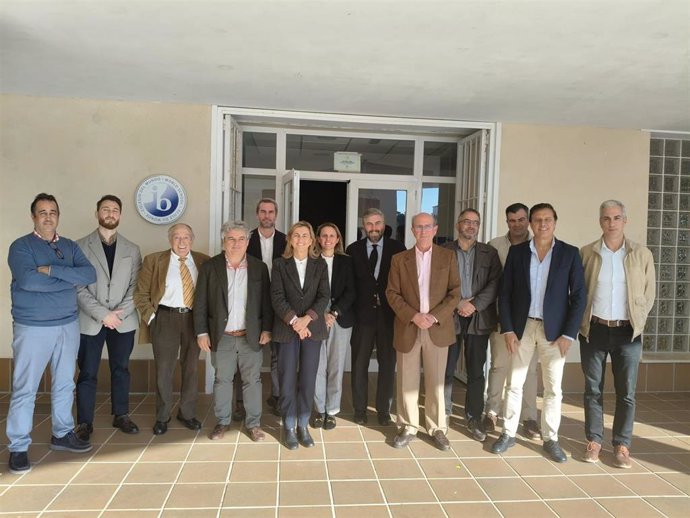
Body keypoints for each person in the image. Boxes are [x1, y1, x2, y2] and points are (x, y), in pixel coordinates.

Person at [6, 193, 97, 474]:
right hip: (33, 326)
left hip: (68, 325)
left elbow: (89, 274)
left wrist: (52, 271)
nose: (48, 217)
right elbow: (29, 281)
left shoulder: (69, 246)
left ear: (58, 216)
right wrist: (67, 279)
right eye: (42, 212)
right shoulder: (21, 247)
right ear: (33, 216)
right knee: (25, 389)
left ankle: (62, 433)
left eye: (53, 212)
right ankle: (18, 447)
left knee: (64, 383)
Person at [491, 203, 586, 463]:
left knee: (554, 388)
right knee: (515, 383)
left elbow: (578, 297)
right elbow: (505, 294)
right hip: (522, 328)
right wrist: (508, 329)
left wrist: (569, 334)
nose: (542, 224)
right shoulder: (518, 253)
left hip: (554, 332)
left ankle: (550, 438)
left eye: (547, 220)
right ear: (530, 224)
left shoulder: (569, 254)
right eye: (537, 220)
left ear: (555, 222)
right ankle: (508, 433)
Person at [579, 200, 655, 468]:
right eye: (606, 218)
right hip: (595, 330)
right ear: (600, 221)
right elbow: (578, 292)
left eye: (616, 217)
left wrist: (639, 323)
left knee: (626, 393)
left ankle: (622, 445)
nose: (611, 222)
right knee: (592, 390)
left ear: (625, 220)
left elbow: (648, 293)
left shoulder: (641, 254)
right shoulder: (587, 253)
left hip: (627, 333)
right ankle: (594, 441)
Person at [194, 220, 273, 442]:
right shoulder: (210, 267)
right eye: (231, 239)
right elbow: (200, 302)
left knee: (252, 380)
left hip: (251, 335)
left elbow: (266, 302)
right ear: (223, 242)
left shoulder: (259, 267)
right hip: (222, 336)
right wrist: (202, 332)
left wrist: (267, 328)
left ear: (248, 242)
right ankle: (222, 422)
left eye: (241, 239)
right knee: (222, 380)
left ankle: (254, 424)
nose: (236, 243)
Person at [386, 213, 460, 451]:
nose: (423, 231)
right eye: (419, 227)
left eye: (427, 226)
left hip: (437, 327)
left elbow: (455, 292)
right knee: (407, 379)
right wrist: (414, 316)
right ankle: (408, 426)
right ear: (412, 230)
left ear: (435, 229)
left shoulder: (448, 257)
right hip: (409, 326)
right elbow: (392, 293)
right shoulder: (399, 259)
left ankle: (437, 427)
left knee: (436, 381)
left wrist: (434, 316)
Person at [75, 195, 142, 441]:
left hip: (123, 321)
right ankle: (84, 422)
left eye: (115, 210)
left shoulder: (132, 249)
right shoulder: (80, 246)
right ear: (97, 213)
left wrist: (117, 315)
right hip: (91, 320)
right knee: (87, 372)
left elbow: (136, 287)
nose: (110, 213)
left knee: (121, 369)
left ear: (120, 215)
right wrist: (104, 315)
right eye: (106, 209)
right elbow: (78, 288)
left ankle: (121, 414)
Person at [133, 223, 209, 435]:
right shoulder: (154, 260)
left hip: (194, 319)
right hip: (164, 318)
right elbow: (140, 294)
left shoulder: (204, 261)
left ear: (192, 240)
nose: (182, 242)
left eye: (186, 237)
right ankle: (163, 416)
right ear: (170, 240)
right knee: (164, 370)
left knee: (191, 368)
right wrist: (153, 318)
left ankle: (187, 413)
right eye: (177, 237)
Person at [442, 209, 501, 442]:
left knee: (476, 371)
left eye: (475, 222)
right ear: (458, 225)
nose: (471, 226)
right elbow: (437, 283)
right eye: (466, 222)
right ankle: (443, 414)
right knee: (446, 369)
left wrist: (474, 305)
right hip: (450, 317)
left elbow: (495, 283)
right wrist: (457, 303)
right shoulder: (444, 251)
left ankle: (473, 417)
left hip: (479, 318)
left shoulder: (490, 253)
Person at [271, 221, 330, 449]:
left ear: (312, 240)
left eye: (305, 235)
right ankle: (288, 425)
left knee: (307, 378)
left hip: (312, 330)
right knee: (286, 379)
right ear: (290, 239)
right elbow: (276, 296)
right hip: (287, 329)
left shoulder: (320, 264)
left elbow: (324, 295)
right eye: (296, 235)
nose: (301, 239)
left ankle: (303, 425)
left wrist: (308, 319)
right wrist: (296, 321)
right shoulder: (279, 264)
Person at [485, 203, 541, 440]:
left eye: (520, 220)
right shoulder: (495, 246)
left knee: (528, 370)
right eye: (511, 221)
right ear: (506, 222)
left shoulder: (538, 245)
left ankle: (529, 418)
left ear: (527, 220)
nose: (516, 225)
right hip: (501, 316)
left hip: (530, 321)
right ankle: (491, 412)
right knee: (499, 365)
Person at [346, 208, 406, 425]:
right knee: (359, 364)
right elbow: (349, 285)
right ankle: (360, 410)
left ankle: (383, 410)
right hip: (362, 317)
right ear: (364, 226)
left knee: (388, 365)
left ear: (384, 224)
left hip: (390, 317)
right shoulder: (352, 250)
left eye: (378, 223)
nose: (374, 228)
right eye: (369, 224)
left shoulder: (398, 249)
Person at [311, 223, 356, 430]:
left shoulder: (347, 262)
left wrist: (334, 312)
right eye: (324, 235)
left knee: (336, 366)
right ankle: (319, 409)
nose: (328, 239)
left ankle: (332, 410)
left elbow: (351, 291)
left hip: (340, 318)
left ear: (338, 239)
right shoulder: (311, 261)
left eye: (332, 235)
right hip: (315, 318)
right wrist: (321, 314)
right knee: (317, 366)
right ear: (318, 239)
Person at [247, 198, 287, 416]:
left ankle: (278, 398)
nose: (267, 216)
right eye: (263, 211)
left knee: (278, 355)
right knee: (249, 353)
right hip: (252, 304)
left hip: (279, 304)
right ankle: (242, 402)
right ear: (257, 214)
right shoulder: (246, 239)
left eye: (271, 212)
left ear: (276, 215)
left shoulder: (287, 241)